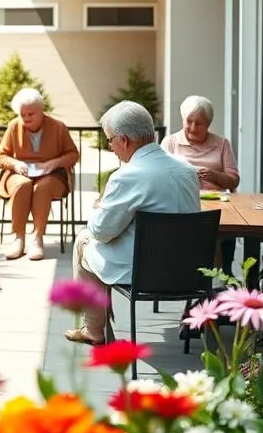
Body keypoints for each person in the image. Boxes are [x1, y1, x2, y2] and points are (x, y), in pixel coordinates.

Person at [65, 100, 200, 345]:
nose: (111, 147)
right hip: (188, 272)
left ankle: (93, 330)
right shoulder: (187, 171)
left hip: (143, 272)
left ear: (124, 140)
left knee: (84, 239)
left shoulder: (127, 175)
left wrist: (99, 207)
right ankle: (96, 326)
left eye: (110, 140)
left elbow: (102, 232)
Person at [0, 88, 79, 261]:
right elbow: (1, 155)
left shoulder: (58, 127)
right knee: (22, 185)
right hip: (19, 173)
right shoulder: (13, 126)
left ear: (42, 111)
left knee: (43, 187)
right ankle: (18, 238)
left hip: (52, 175)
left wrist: (53, 163)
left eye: (30, 114)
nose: (26, 118)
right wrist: (16, 164)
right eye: (22, 114)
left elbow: (73, 154)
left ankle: (37, 238)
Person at [160, 94, 240, 273]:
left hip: (217, 203)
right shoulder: (170, 143)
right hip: (182, 201)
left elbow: (233, 179)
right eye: (189, 121)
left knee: (217, 228)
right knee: (206, 230)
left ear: (208, 124)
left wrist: (213, 175)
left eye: (199, 123)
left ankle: (215, 278)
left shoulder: (222, 144)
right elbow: (160, 177)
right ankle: (212, 280)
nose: (193, 127)